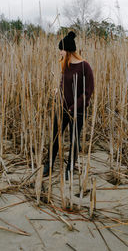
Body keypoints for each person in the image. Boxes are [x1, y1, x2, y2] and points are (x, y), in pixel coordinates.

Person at [43, 31, 94, 180]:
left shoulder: (85, 66)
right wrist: (57, 93)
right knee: (55, 136)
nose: (60, 52)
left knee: (74, 139)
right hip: (62, 109)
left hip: (77, 111)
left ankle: (70, 167)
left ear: (68, 50)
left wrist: (73, 108)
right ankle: (49, 164)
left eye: (61, 49)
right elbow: (62, 84)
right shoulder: (65, 65)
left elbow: (87, 92)